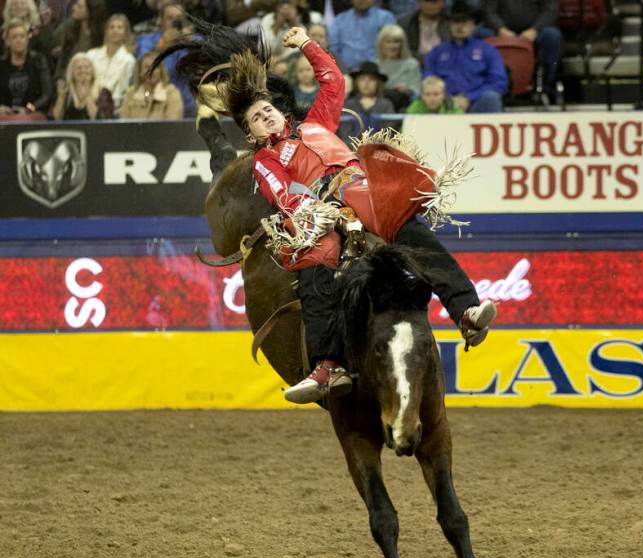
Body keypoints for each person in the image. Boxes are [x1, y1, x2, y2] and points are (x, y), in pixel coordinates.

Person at [181, 23, 496, 403]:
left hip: (365, 192)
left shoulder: (317, 123)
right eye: (256, 119)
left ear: (281, 113)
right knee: (314, 272)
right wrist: (314, 213)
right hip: (322, 212)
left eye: (268, 110)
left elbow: (333, 81)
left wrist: (307, 45)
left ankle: (466, 311)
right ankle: (327, 364)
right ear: (251, 136)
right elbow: (279, 192)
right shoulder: (267, 159)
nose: (266, 116)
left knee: (416, 237)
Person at [423, 4, 507, 113]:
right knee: (422, 96)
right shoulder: (437, 52)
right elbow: (428, 79)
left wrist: (469, 97)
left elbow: (498, 82)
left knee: (491, 98)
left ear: (473, 25)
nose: (460, 27)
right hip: (443, 103)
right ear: (449, 25)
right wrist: (447, 98)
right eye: (456, 22)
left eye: (465, 22)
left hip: (477, 102)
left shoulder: (487, 50)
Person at [482, 0, 562, 99]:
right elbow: (489, 11)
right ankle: (486, 86)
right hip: (501, 30)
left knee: (552, 36)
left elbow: (550, 11)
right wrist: (501, 29)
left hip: (536, 30)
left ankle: (546, 84)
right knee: (480, 34)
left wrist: (535, 30)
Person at [134, 0, 196, 117]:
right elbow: (144, 69)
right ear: (161, 21)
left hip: (187, 105)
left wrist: (191, 44)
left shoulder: (192, 40)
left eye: (178, 18)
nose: (174, 22)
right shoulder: (147, 41)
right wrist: (162, 45)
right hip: (155, 103)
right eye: (170, 18)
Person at [0, 18, 52, 116]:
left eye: (22, 36)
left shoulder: (38, 60)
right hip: (5, 116)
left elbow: (47, 94)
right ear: (7, 41)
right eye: (14, 37)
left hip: (32, 114)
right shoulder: (1, 65)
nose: (19, 40)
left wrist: (28, 109)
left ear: (27, 39)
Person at [85, 13, 134, 116]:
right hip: (87, 105)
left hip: (114, 111)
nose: (115, 30)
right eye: (111, 27)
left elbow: (123, 91)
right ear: (106, 31)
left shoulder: (129, 61)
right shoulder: (91, 55)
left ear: (126, 33)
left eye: (119, 27)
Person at [328, 0, 395, 71]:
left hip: (378, 71)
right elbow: (333, 49)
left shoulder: (386, 18)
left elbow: (391, 48)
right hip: (345, 72)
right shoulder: (340, 20)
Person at [119, 50, 183, 118]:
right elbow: (124, 124)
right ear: (140, 72)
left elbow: (173, 124)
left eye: (155, 67)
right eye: (146, 67)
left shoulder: (171, 93)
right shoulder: (131, 93)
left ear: (161, 71)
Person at [51, 51, 112, 119]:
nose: (83, 70)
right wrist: (61, 97)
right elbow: (56, 119)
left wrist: (88, 95)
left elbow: (100, 120)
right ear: (72, 72)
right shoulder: (65, 91)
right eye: (79, 67)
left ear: (93, 71)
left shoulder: (103, 92)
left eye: (87, 67)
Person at [52, 0, 106, 74]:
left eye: (79, 7)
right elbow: (62, 61)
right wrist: (59, 78)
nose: (73, 8)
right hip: (68, 77)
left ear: (90, 12)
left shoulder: (101, 36)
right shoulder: (70, 27)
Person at [376, 23, 420, 110]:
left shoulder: (411, 64)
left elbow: (417, 93)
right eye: (388, 42)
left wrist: (408, 90)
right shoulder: (376, 65)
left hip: (405, 105)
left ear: (402, 44)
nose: (392, 46)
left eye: (396, 42)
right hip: (381, 107)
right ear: (381, 44)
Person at [289, 52, 318, 117]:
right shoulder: (292, 91)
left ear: (314, 69)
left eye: (308, 70)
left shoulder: (321, 90)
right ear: (295, 73)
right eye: (300, 71)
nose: (305, 74)